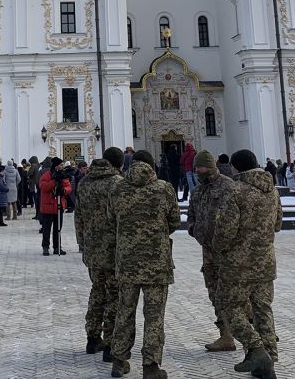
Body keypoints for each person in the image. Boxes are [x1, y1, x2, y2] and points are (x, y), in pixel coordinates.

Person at [212, 149, 283, 378]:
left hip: (238, 264)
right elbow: (278, 223)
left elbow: (225, 230)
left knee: (229, 305)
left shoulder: (235, 191)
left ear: (235, 167)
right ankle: (268, 361)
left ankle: (256, 348)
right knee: (263, 309)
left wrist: (219, 247)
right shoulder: (271, 190)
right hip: (265, 261)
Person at [109, 150, 180, 379]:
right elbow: (174, 220)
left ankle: (119, 361)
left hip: (127, 262)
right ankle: (150, 366)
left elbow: (112, 219)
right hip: (156, 263)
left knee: (124, 312)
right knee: (154, 316)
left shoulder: (118, 188)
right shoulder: (164, 189)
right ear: (152, 165)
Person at [74, 146, 124, 361]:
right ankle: (111, 343)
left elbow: (78, 216)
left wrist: (83, 244)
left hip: (93, 250)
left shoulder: (85, 182)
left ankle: (92, 337)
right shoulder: (118, 184)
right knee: (115, 296)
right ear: (119, 164)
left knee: (97, 292)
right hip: (114, 250)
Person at [186, 150, 237, 354]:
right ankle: (226, 335)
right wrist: (194, 229)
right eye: (196, 167)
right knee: (214, 292)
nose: (197, 170)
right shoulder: (198, 191)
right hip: (207, 251)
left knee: (234, 293)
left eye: (200, 167)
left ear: (210, 166)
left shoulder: (228, 186)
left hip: (228, 251)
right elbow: (191, 215)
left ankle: (256, 329)